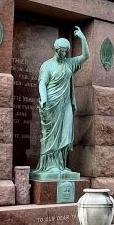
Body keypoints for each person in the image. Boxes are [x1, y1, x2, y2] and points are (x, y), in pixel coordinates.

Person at [32, 26, 89, 178]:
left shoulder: (69, 63)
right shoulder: (47, 65)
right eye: (62, 51)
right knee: (51, 135)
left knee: (66, 134)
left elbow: (85, 56)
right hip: (51, 103)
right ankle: (49, 167)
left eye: (66, 51)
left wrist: (83, 38)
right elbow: (42, 83)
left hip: (66, 104)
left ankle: (60, 165)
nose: (64, 54)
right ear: (56, 50)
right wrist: (43, 98)